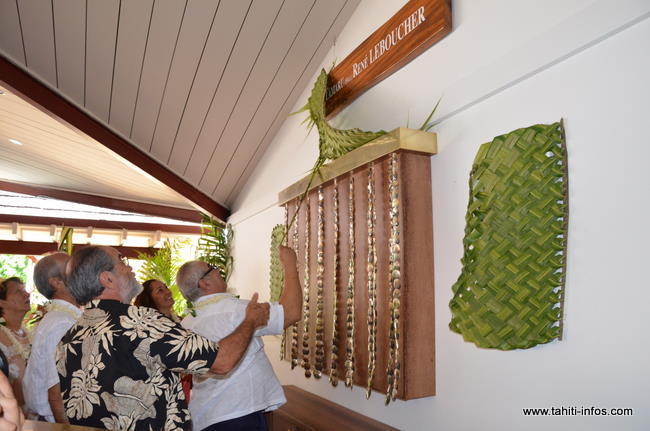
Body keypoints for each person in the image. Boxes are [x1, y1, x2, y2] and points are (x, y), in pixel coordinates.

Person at [56, 246, 270, 431]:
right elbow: (221, 361)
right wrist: (250, 321)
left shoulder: (67, 340)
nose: (130, 268)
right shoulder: (140, 322)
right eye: (122, 261)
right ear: (107, 278)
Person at [177, 246, 302, 431]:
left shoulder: (186, 322)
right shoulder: (234, 309)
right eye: (212, 268)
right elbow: (290, 313)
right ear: (204, 283)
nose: (219, 270)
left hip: (206, 416)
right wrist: (291, 266)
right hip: (237, 415)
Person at [23, 252, 80, 423]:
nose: (81, 271)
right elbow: (55, 393)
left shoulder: (63, 317)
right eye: (72, 268)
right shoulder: (61, 322)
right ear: (56, 282)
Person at [0, 278, 31, 410]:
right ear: (2, 302)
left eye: (24, 290)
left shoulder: (28, 332)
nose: (27, 294)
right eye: (18, 291)